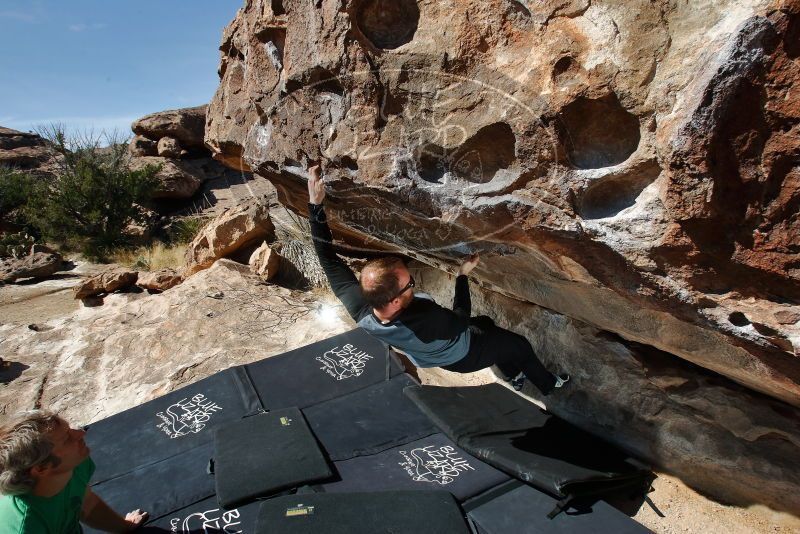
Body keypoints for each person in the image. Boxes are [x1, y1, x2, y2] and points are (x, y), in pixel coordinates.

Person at [306, 165, 569, 394]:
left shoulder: (361, 309)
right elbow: (462, 317)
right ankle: (548, 385)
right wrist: (462, 276)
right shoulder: (425, 319)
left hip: (439, 354)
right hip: (465, 355)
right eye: (410, 285)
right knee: (519, 345)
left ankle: (514, 375)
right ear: (396, 301)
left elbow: (326, 256)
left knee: (488, 324)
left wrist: (315, 203)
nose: (415, 285)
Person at [0, 410, 148, 533]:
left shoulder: (72, 466)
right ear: (41, 468)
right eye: (66, 439)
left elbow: (87, 504)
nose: (80, 433)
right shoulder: (25, 526)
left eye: (70, 428)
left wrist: (126, 527)